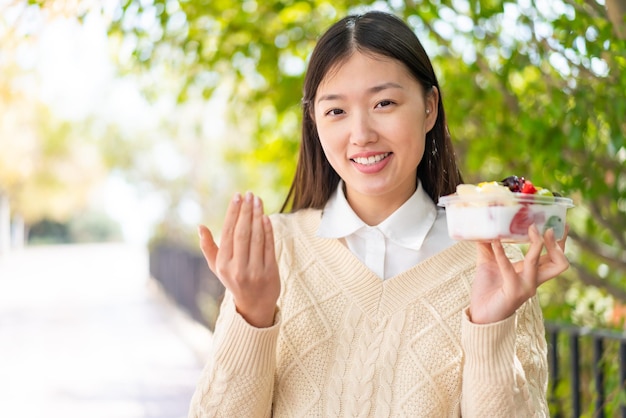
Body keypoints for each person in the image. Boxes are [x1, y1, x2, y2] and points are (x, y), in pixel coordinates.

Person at [188, 10, 569, 418]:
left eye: (384, 102)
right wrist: (253, 315)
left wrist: (490, 327)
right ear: (314, 121)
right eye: (336, 111)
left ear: (429, 107)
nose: (362, 133)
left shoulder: (496, 262)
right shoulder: (276, 251)